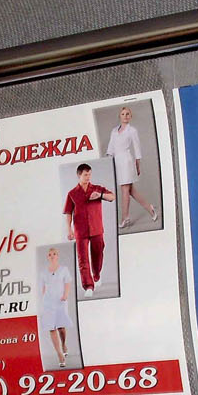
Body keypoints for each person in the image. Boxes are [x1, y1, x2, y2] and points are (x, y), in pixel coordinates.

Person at [63, 163, 113, 297]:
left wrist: (100, 195)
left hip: (97, 228)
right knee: (83, 259)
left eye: (90, 174)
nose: (88, 177)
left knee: (98, 253)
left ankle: (96, 275)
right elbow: (68, 213)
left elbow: (112, 197)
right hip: (80, 231)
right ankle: (88, 286)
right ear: (79, 175)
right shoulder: (72, 194)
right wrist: (69, 230)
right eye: (86, 175)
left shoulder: (97, 189)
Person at [107, 106, 157, 228]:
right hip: (117, 162)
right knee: (131, 191)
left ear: (130, 116)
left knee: (125, 189)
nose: (125, 116)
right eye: (123, 114)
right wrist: (108, 160)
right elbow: (111, 147)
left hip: (127, 161)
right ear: (119, 116)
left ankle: (125, 218)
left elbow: (137, 147)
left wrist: (137, 165)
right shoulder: (114, 131)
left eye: (127, 114)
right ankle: (150, 208)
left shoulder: (132, 131)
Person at [38, 248, 73, 367]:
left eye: (54, 254)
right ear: (47, 257)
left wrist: (65, 295)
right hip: (48, 303)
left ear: (57, 256)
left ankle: (63, 344)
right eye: (49, 254)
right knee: (51, 328)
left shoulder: (63, 270)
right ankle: (60, 355)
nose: (52, 256)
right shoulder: (43, 273)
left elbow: (67, 283)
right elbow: (43, 288)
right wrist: (43, 301)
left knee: (61, 327)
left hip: (60, 301)